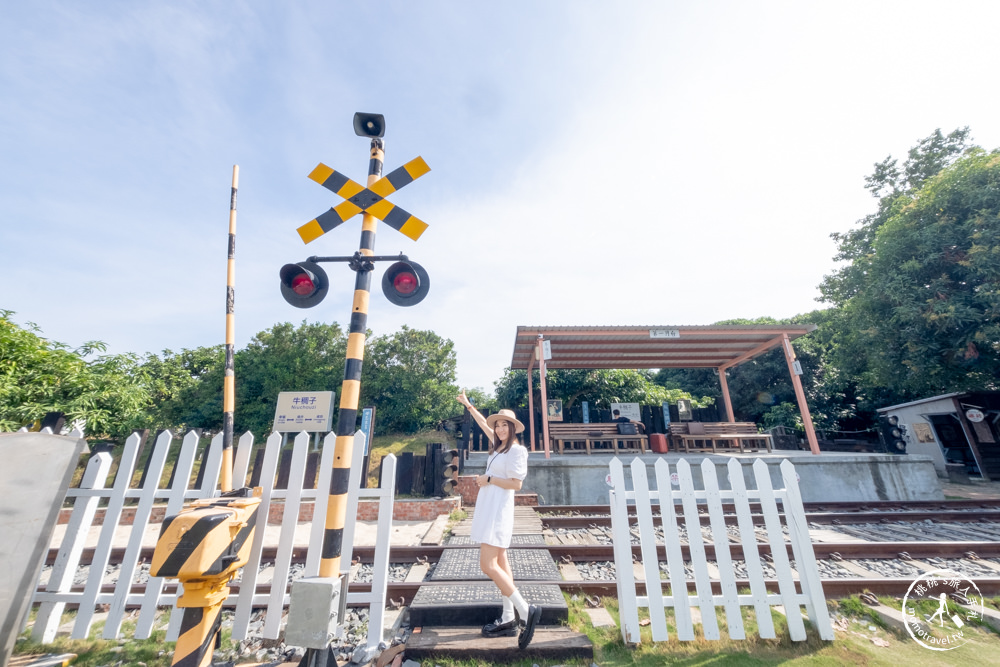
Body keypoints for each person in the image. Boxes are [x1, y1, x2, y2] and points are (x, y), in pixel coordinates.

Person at [456, 390, 541, 650]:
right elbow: (484, 423)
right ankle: (508, 618)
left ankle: (526, 611)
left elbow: (516, 484)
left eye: (506, 425)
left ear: (514, 429)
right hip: (488, 508)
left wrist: (489, 479)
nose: (501, 428)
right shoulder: (497, 447)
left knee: (488, 565)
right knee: (502, 565)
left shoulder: (517, 451)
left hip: (497, 512)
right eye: (499, 425)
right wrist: (469, 406)